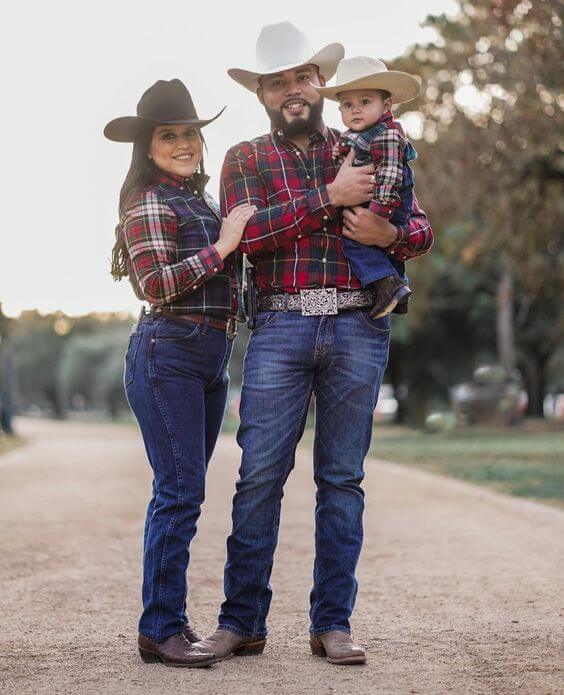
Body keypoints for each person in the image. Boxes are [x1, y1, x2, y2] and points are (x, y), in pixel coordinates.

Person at [194, 23, 433, 665]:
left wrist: (390, 236)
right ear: (264, 95)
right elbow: (246, 236)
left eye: (302, 77)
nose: (292, 90)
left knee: (343, 480)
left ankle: (333, 624)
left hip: (360, 324)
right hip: (281, 325)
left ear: (320, 83)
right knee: (259, 478)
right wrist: (329, 198)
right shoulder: (244, 159)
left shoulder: (370, 141)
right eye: (277, 83)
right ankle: (240, 621)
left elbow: (419, 225)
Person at [104, 78, 256, 667]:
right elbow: (154, 284)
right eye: (170, 135)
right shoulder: (147, 200)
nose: (184, 143)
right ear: (148, 146)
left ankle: (170, 622)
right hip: (168, 348)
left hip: (210, 353)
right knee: (179, 493)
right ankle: (160, 629)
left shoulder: (198, 200)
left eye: (190, 133)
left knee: (185, 492)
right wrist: (225, 243)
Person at [315, 56, 422, 318]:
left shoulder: (386, 134)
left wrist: (377, 215)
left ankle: (388, 286)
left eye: (365, 102)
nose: (356, 110)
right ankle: (399, 290)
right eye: (347, 104)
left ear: (386, 105)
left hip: (386, 203)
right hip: (377, 200)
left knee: (355, 242)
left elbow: (390, 176)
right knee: (378, 248)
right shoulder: (357, 134)